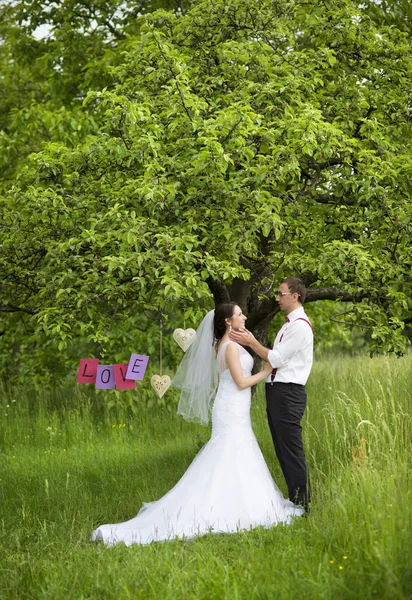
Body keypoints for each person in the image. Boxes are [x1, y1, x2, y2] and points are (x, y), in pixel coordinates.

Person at [91, 303, 303, 546]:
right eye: (239, 315)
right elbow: (242, 383)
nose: (244, 317)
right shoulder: (230, 348)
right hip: (231, 408)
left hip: (234, 408)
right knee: (230, 451)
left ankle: (235, 502)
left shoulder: (227, 345)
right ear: (227, 321)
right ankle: (227, 508)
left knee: (235, 453)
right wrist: (267, 370)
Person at [230, 278, 313, 511]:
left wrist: (251, 341)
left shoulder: (299, 326)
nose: (277, 298)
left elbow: (275, 358)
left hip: (289, 393)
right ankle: (296, 500)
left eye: (281, 293)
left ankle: (302, 504)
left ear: (294, 296)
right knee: (282, 448)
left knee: (291, 449)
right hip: (278, 391)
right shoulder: (288, 324)